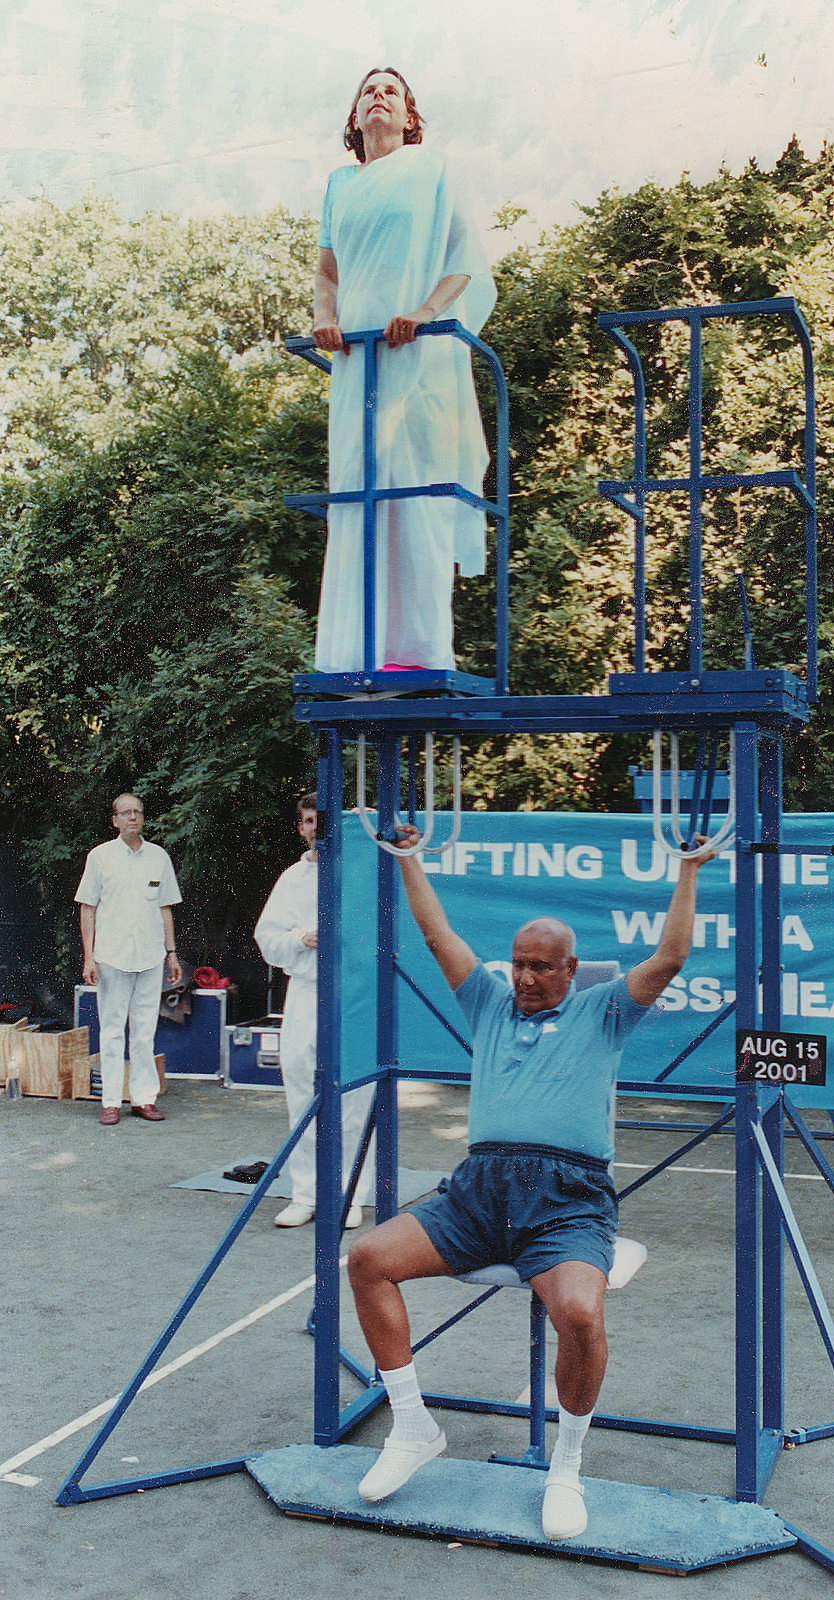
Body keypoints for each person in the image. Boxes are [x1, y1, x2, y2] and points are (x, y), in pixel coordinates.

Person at [346, 825, 715, 1542]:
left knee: (578, 1313)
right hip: (477, 1195)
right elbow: (437, 935)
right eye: (518, 964)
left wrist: (690, 868)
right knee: (366, 1259)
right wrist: (411, 860)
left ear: (571, 970)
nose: (524, 977)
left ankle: (566, 1468)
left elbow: (671, 956)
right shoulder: (486, 1003)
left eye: (541, 967)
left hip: (566, 1202)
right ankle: (413, 1427)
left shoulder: (604, 1010)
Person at [311, 66, 496, 674]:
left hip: (416, 353)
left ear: (409, 118)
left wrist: (423, 313)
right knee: (358, 482)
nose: (379, 97)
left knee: (413, 482)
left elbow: (464, 259)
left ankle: (417, 653)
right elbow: (329, 272)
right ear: (355, 116)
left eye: (391, 91)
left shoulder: (431, 170)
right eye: (368, 90)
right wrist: (324, 319)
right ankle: (353, 651)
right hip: (357, 358)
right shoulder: (340, 184)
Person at [254, 794, 375, 1229]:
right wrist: (301, 938)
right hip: (306, 992)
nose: (315, 829)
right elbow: (267, 939)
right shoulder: (291, 878)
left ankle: (350, 1194)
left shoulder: (361, 869)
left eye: (321, 821)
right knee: (302, 1090)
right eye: (308, 821)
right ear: (300, 827)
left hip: (355, 992)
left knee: (355, 1095)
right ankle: (305, 1194)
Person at [75, 793, 182, 1126]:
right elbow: (87, 908)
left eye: (137, 812)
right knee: (111, 1032)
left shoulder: (159, 856)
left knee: (144, 1031)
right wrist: (89, 958)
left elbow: (165, 907)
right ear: (115, 820)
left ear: (143, 818)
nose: (133, 817)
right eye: (126, 813)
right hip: (111, 957)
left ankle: (143, 1099)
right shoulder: (100, 857)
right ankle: (110, 1102)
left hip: (151, 956)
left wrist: (171, 953)